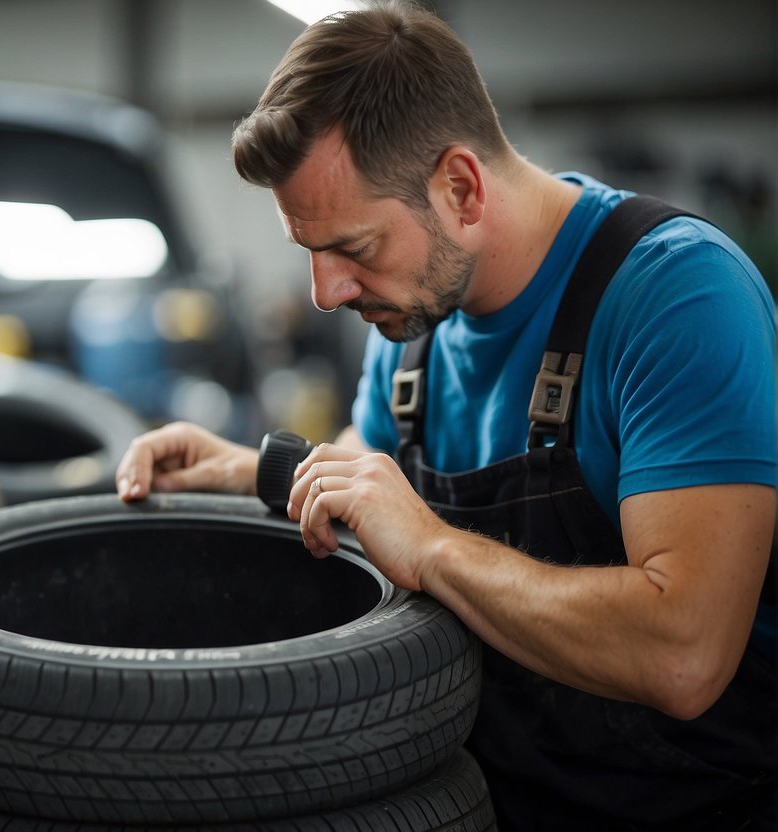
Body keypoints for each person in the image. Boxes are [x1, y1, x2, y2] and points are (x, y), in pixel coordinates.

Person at [113, 2, 777, 829]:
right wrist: (251, 470)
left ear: (459, 187)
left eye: (351, 249)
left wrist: (431, 548)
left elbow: (683, 653)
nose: (326, 294)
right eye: (308, 254)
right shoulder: (412, 320)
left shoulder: (676, 298)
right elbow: (369, 478)